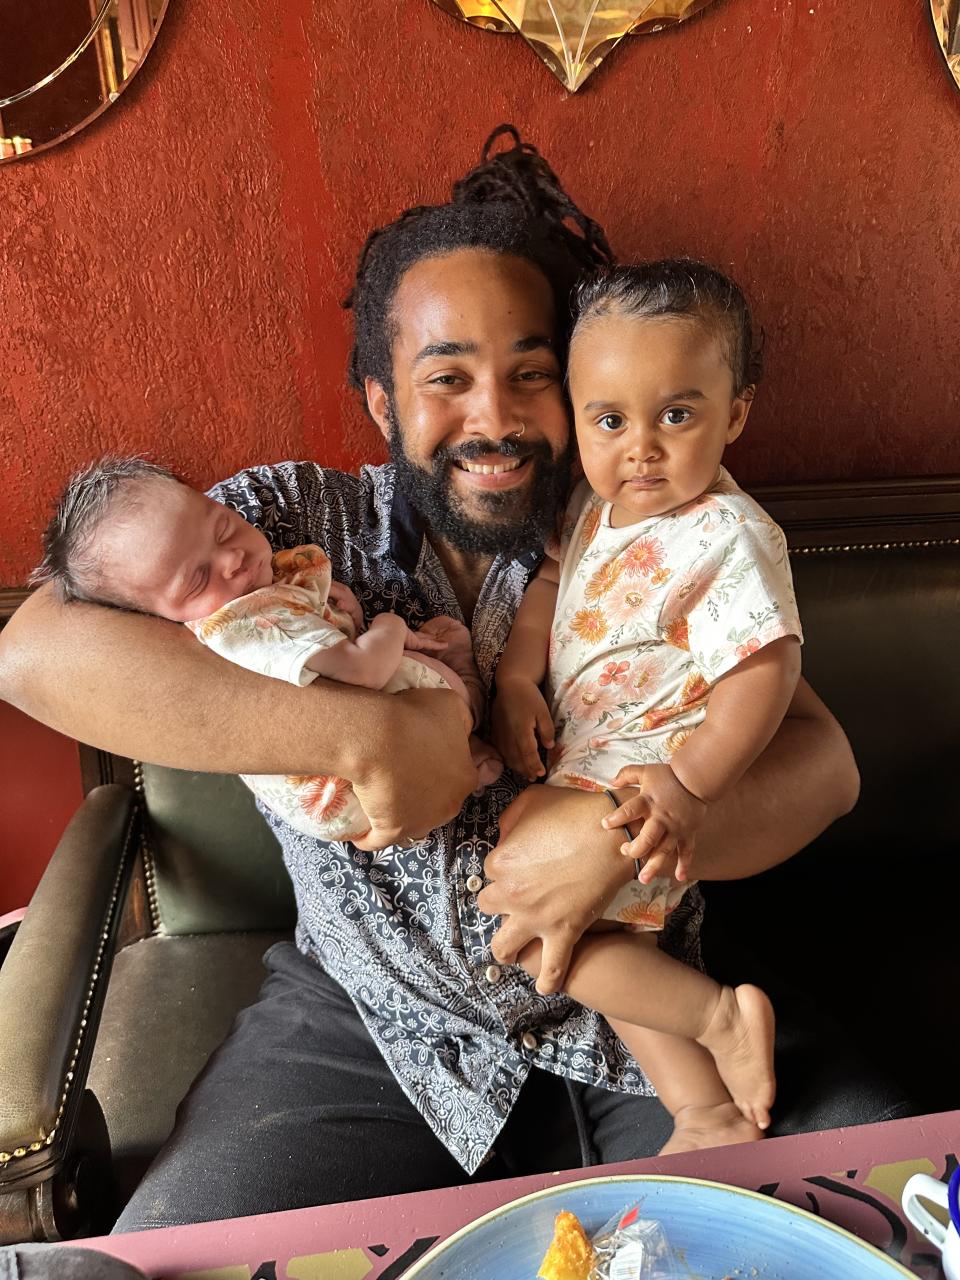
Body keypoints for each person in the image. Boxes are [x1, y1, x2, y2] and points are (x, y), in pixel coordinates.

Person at [0, 127, 881, 1231]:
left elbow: (825, 765)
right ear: (380, 401)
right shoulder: (278, 525)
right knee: (181, 1248)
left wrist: (606, 841)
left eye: (531, 376)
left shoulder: (642, 524)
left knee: (860, 1219)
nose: (496, 418)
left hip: (644, 1008)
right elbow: (32, 650)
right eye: (445, 379)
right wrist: (363, 742)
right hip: (367, 1024)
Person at [493, 260, 802, 1153]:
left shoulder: (728, 534)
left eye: (677, 414)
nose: (642, 447)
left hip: (650, 772)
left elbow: (766, 669)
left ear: (734, 413)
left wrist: (691, 786)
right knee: (551, 912)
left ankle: (714, 1031)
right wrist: (517, 677)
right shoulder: (596, 504)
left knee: (548, 938)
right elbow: (551, 579)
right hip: (591, 761)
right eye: (611, 419)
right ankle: (703, 1104)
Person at [29, 457, 501, 841]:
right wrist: (391, 626)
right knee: (425, 657)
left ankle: (468, 748)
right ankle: (472, 716)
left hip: (347, 784)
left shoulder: (254, 588)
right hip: (349, 789)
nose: (232, 558)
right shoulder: (249, 623)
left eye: (223, 527)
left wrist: (348, 618)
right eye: (197, 579)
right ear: (157, 619)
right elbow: (364, 672)